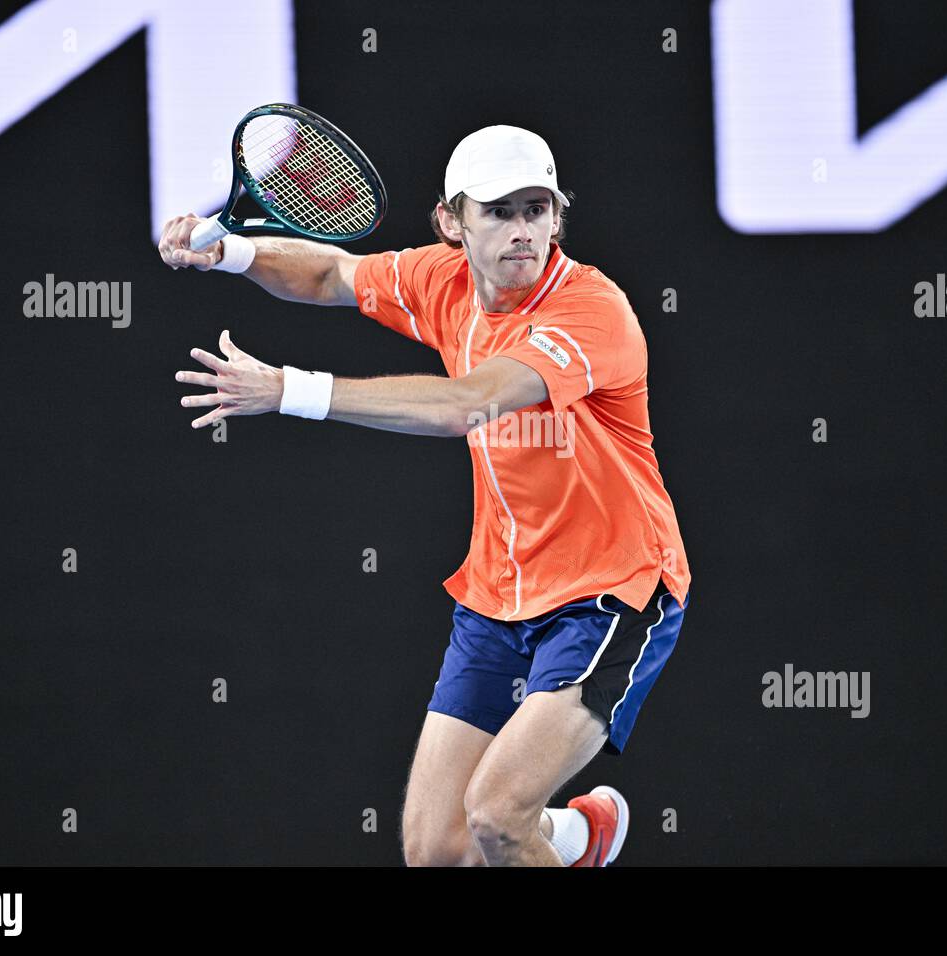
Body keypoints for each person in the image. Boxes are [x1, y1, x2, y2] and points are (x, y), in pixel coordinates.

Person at [158, 125, 691, 866]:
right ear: (452, 222)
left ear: (559, 216)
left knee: (498, 818)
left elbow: (463, 404)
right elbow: (328, 275)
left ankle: (555, 836)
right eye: (499, 212)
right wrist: (236, 253)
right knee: (435, 851)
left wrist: (289, 390)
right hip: (499, 592)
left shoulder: (591, 312)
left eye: (537, 209)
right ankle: (580, 838)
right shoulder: (440, 280)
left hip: (612, 589)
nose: (522, 231)